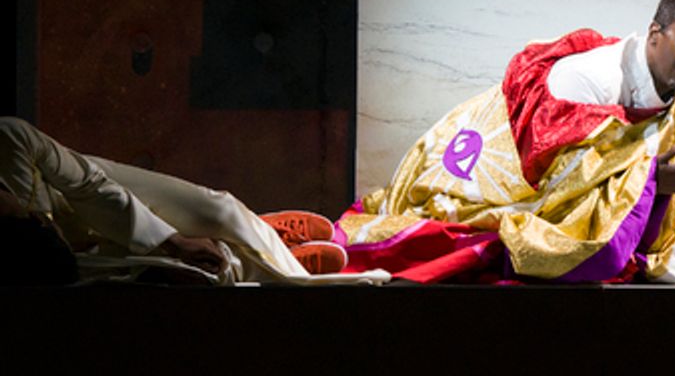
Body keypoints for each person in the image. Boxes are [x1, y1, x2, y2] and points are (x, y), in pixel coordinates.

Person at [336, 0, 675, 284]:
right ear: (656, 33)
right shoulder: (592, 83)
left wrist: (645, 184)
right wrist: (650, 182)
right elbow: (550, 182)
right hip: (490, 175)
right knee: (473, 243)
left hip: (546, 181)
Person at [0, 116, 390, 286]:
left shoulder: (10, 139)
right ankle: (270, 264)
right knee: (201, 274)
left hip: (85, 194)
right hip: (57, 263)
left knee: (217, 208)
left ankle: (256, 229)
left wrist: (174, 239)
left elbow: (87, 186)